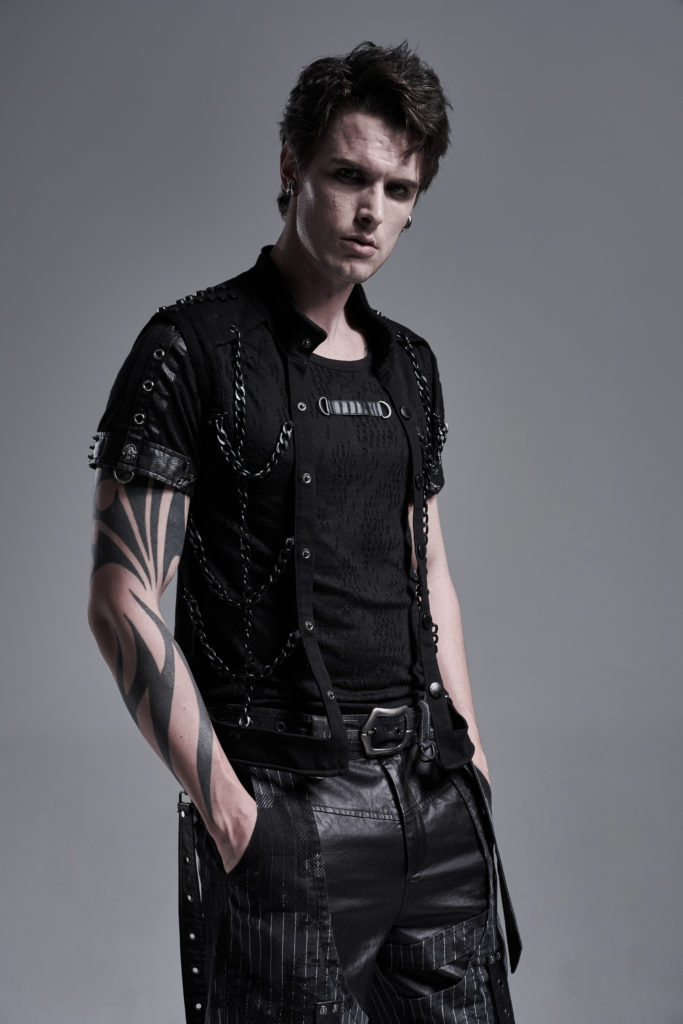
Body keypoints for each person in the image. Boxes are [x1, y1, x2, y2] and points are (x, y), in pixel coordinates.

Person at [88, 40, 521, 1024]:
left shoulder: (410, 366)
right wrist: (231, 812)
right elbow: (122, 600)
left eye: (398, 189)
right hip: (282, 806)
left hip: (433, 795)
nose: (373, 210)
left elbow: (428, 569)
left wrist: (473, 765)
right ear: (291, 167)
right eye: (348, 176)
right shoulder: (191, 349)